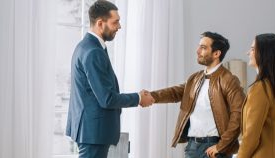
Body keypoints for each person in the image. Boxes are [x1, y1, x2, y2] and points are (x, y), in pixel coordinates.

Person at [65, 1, 154, 158]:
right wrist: (138, 98)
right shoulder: (93, 51)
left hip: (91, 130)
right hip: (93, 132)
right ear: (100, 23)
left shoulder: (86, 46)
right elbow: (107, 98)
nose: (119, 26)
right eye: (115, 22)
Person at [148, 32, 246, 158]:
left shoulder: (228, 80)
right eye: (199, 46)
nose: (197, 50)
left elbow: (238, 113)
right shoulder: (195, 78)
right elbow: (175, 92)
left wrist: (221, 145)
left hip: (214, 148)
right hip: (192, 147)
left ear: (216, 54)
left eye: (203, 48)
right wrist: (150, 96)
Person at [237, 33, 275, 158]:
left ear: (264, 54)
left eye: (252, 49)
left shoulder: (260, 88)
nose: (248, 53)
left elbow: (251, 136)